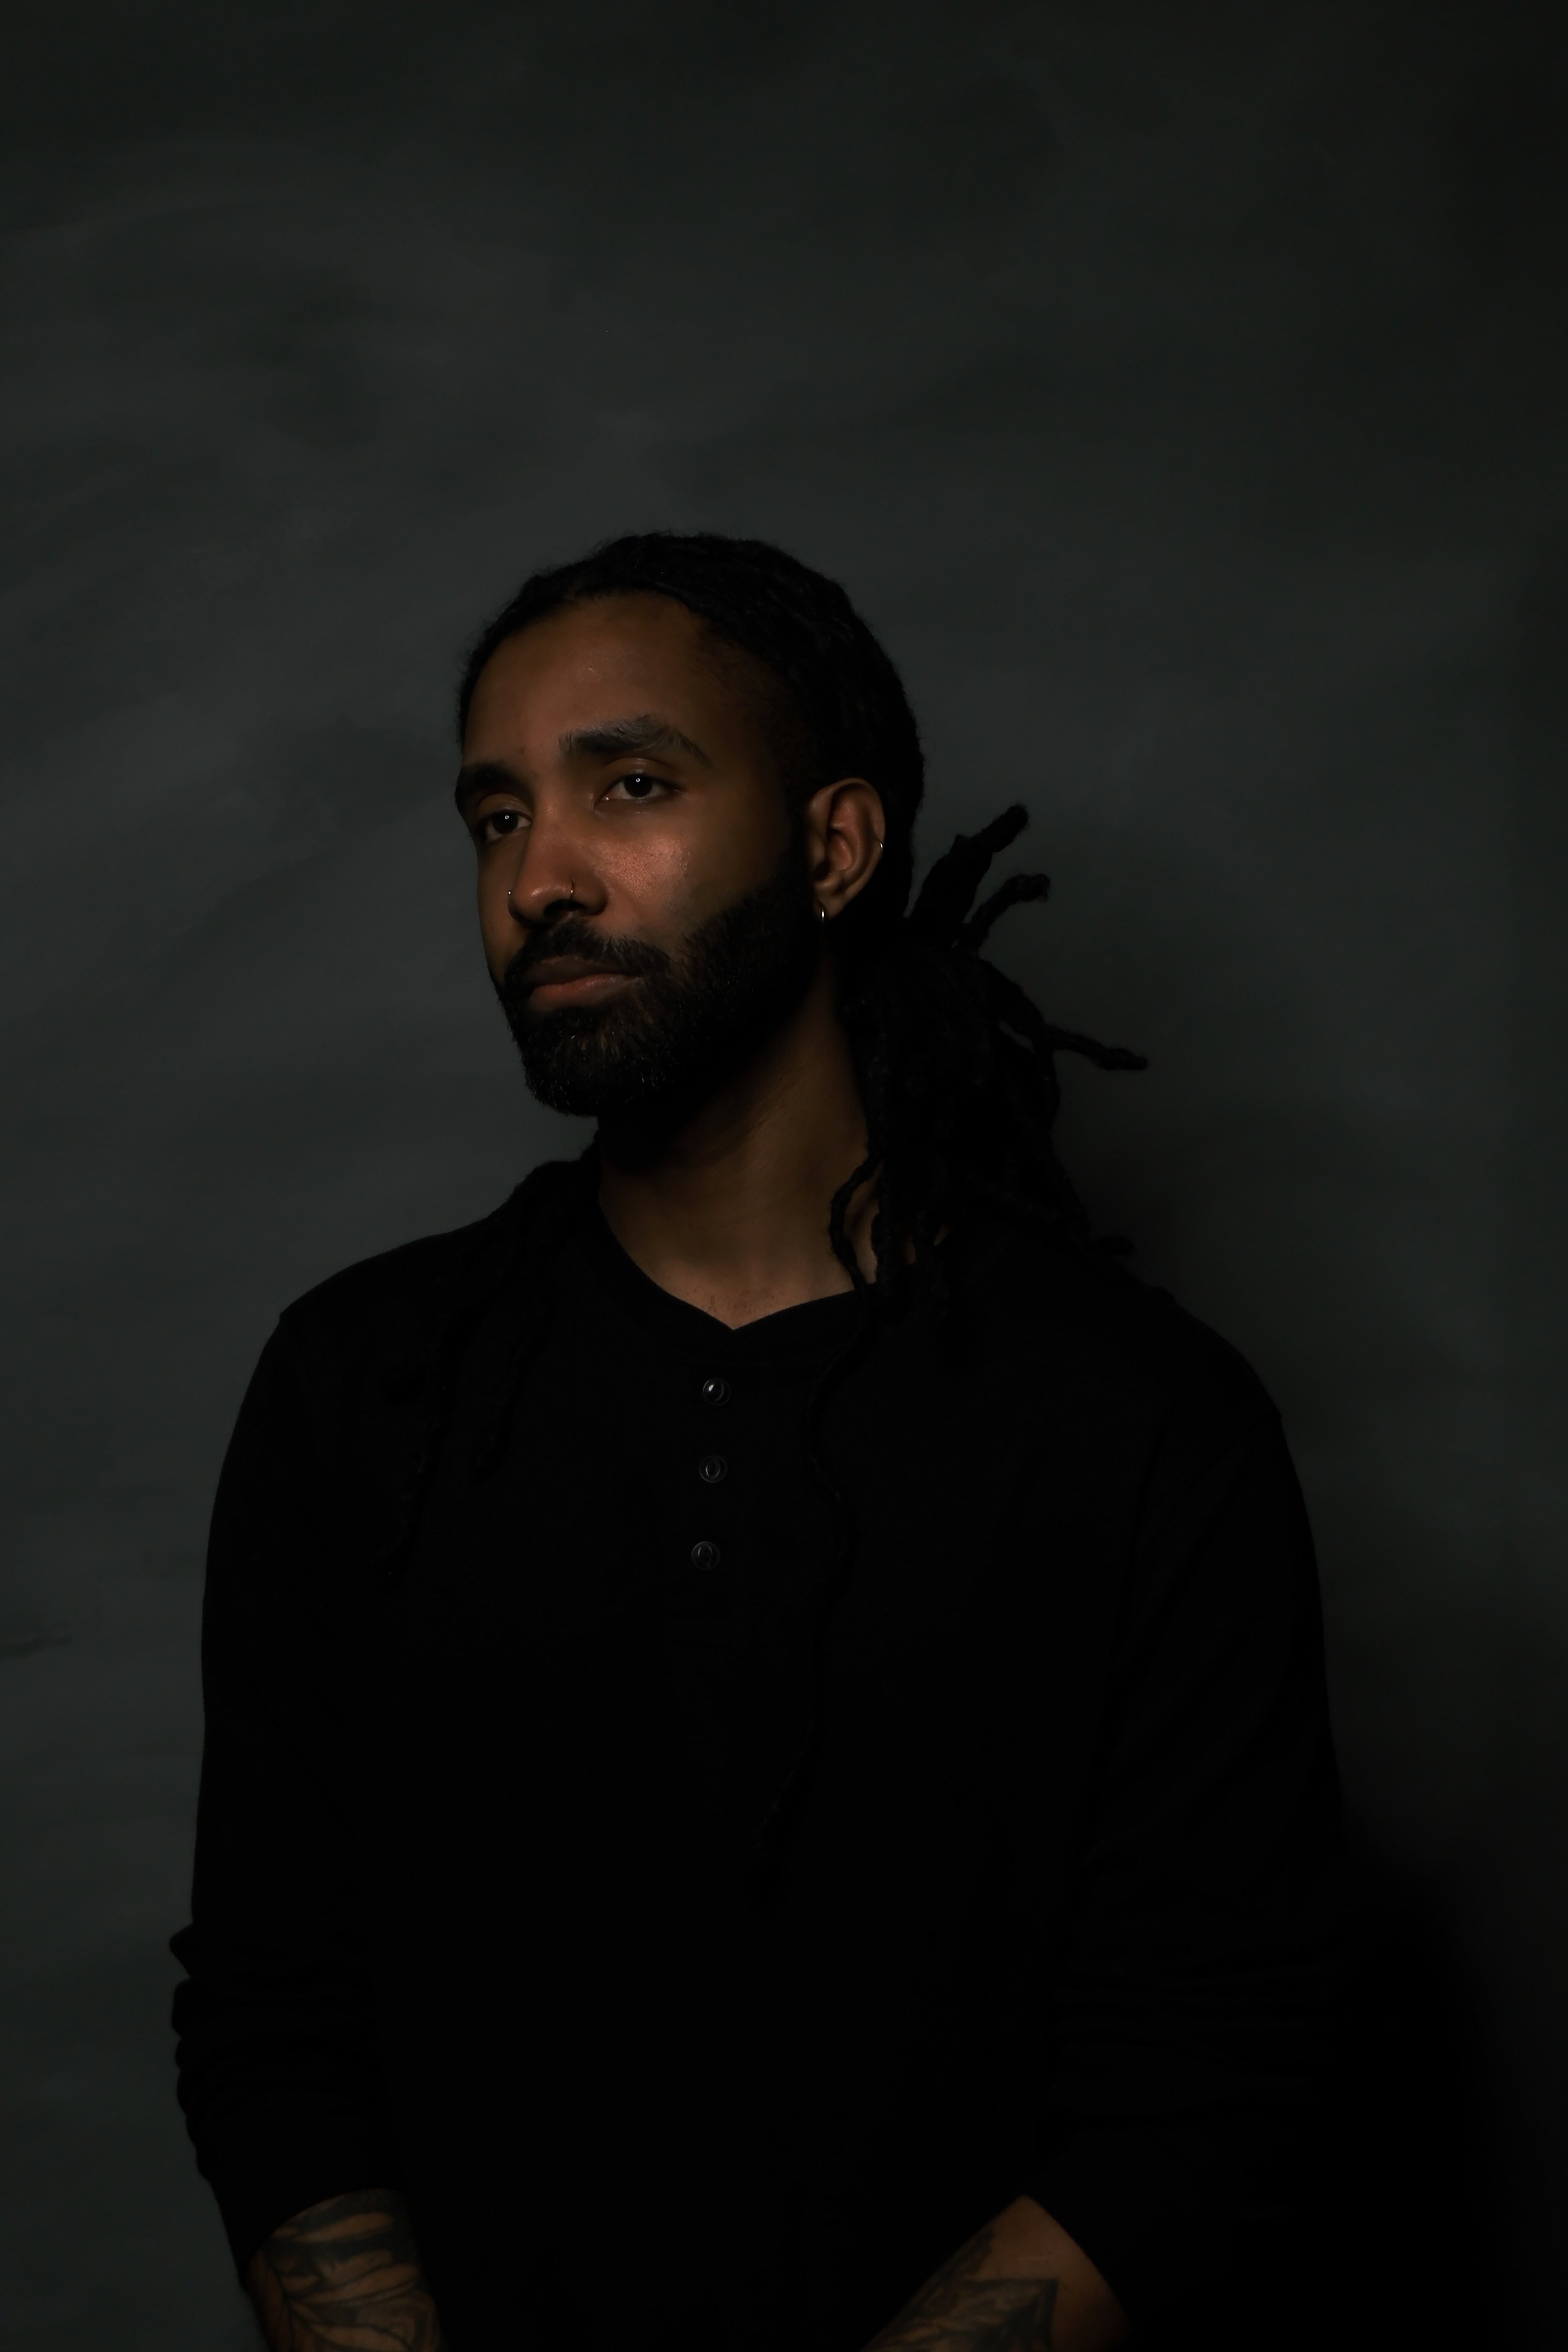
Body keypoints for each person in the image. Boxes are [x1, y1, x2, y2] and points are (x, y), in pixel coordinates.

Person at [171, 532, 1343, 2352]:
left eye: (630, 786)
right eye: (496, 816)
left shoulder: (1139, 1423)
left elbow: (1205, 2083)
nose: (540, 877)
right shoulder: (363, 1382)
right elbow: (275, 2007)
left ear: (834, 846)